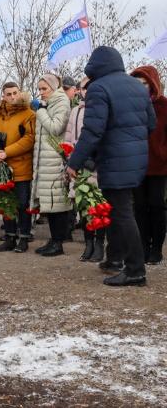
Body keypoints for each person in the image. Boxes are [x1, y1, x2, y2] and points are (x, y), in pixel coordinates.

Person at [68, 46, 156, 286]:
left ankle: (136, 270)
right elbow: (151, 123)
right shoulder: (137, 87)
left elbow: (93, 131)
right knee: (120, 209)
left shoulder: (99, 87)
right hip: (136, 159)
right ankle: (114, 259)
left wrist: (74, 162)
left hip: (114, 159)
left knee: (122, 213)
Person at [0, 82, 36, 253]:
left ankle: (23, 238)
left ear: (19, 93)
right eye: (9, 94)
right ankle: (9, 236)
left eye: (15, 93)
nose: (12, 96)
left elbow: (29, 139)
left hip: (21, 166)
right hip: (2, 168)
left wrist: (6, 152)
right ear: (3, 95)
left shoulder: (28, 114)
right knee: (5, 202)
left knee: (22, 204)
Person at [30, 73, 72, 257]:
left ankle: (58, 242)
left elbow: (55, 128)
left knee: (57, 204)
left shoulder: (61, 102)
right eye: (39, 89)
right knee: (51, 204)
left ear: (54, 87)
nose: (41, 93)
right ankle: (54, 239)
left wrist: (40, 110)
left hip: (55, 160)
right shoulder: (50, 104)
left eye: (44, 89)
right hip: (46, 160)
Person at [64, 78, 104, 262]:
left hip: (96, 165)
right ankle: (88, 244)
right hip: (78, 165)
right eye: (83, 88)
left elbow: (101, 136)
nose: (86, 91)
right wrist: (69, 156)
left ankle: (99, 244)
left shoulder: (101, 108)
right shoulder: (75, 111)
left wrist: (94, 159)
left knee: (97, 205)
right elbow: (70, 136)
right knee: (83, 206)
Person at [130, 65, 167, 265]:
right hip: (136, 164)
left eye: (144, 83)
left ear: (152, 84)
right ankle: (143, 245)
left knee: (157, 205)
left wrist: (162, 154)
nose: (141, 87)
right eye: (137, 83)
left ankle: (156, 248)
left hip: (158, 165)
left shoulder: (163, 105)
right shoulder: (130, 106)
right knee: (139, 207)